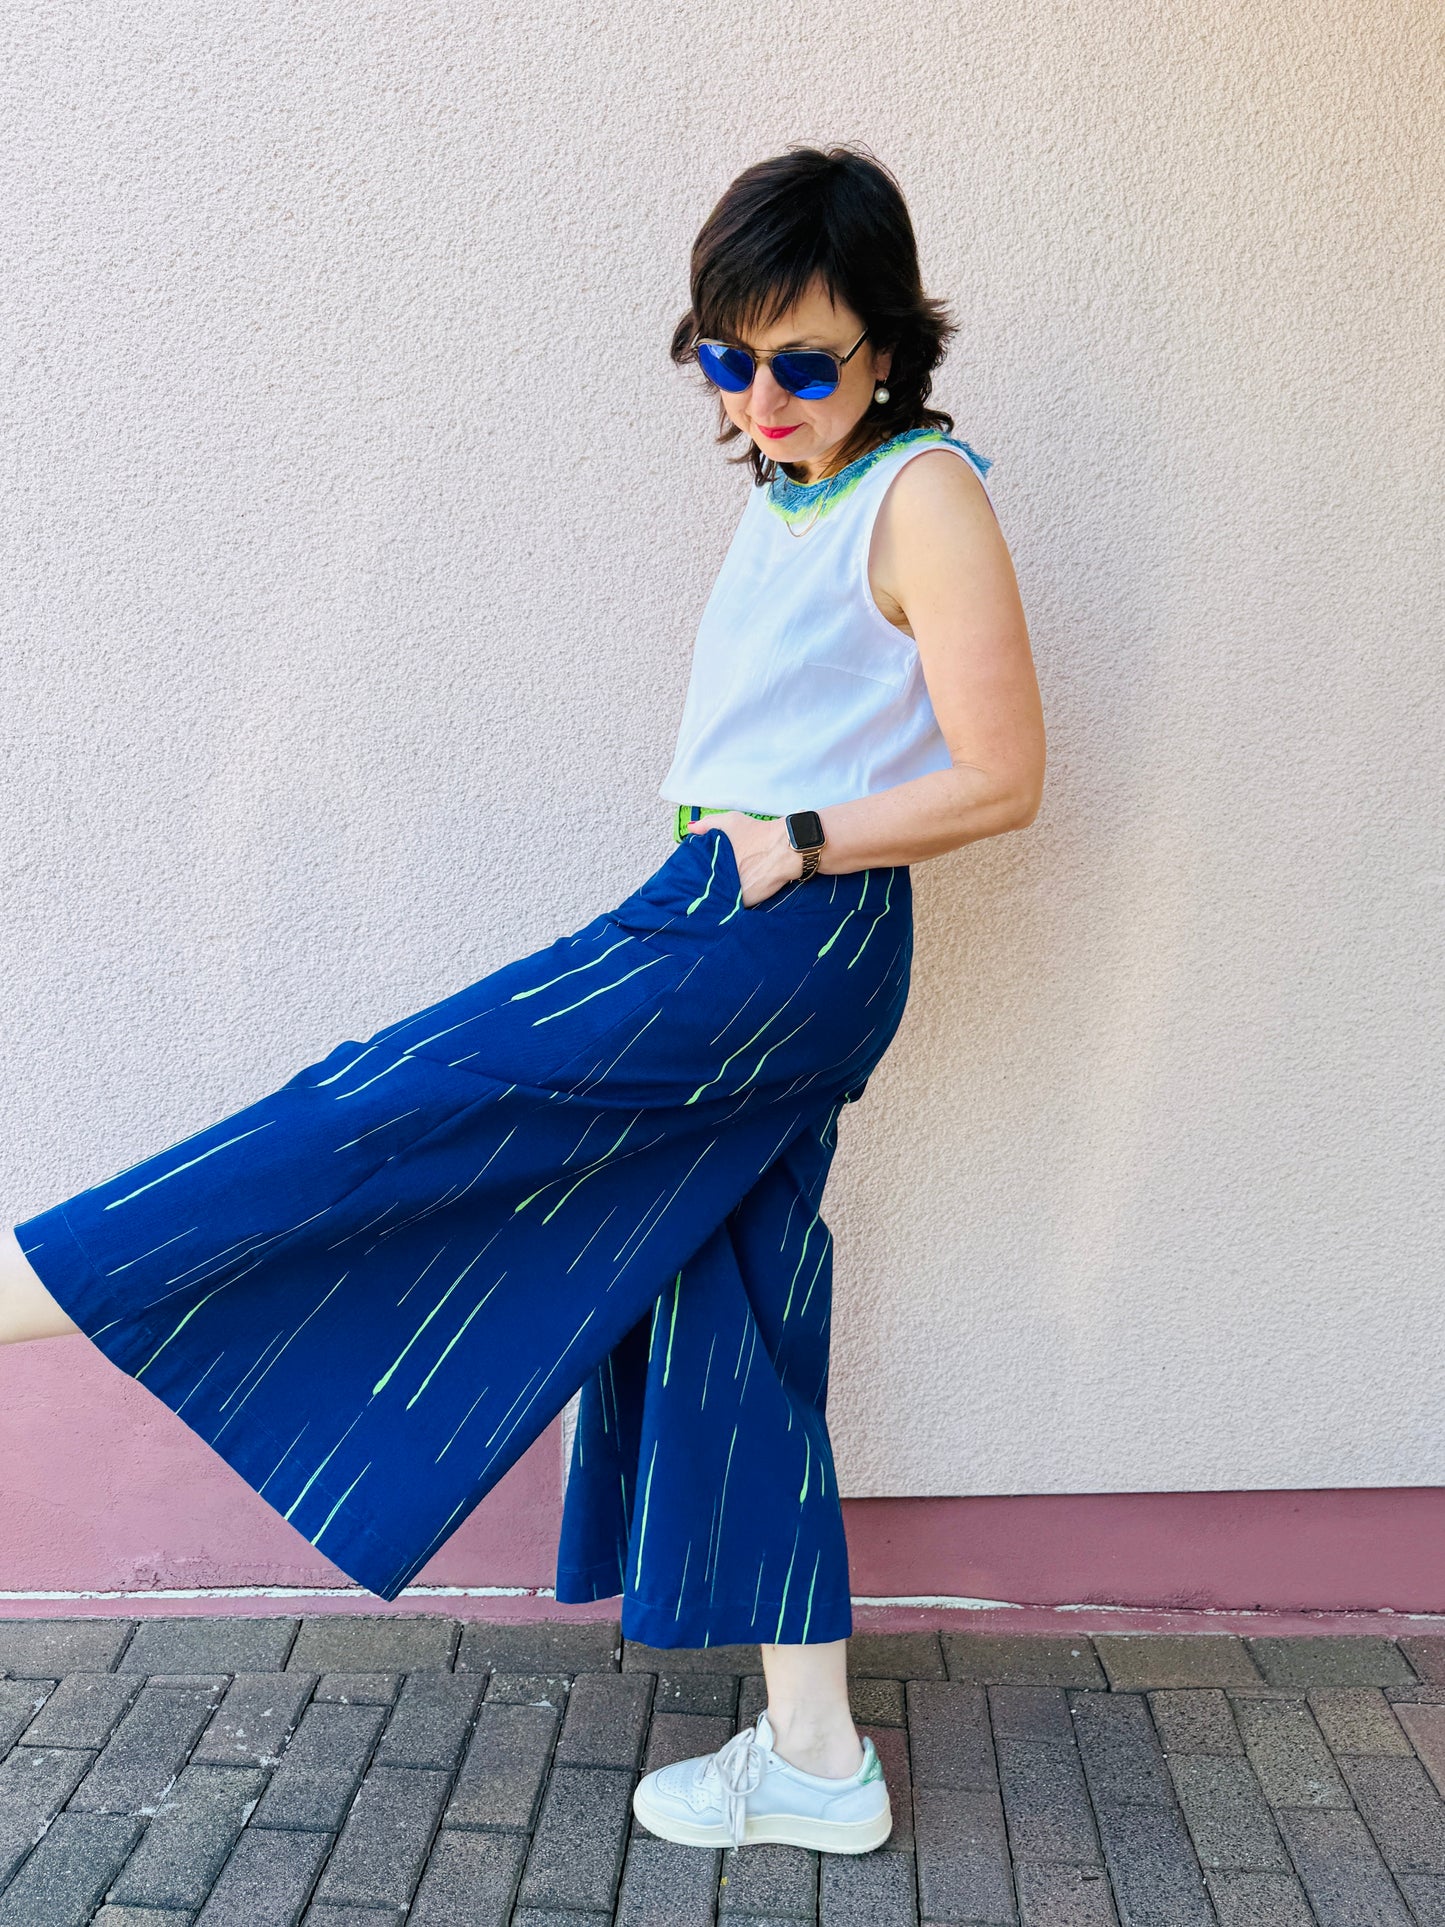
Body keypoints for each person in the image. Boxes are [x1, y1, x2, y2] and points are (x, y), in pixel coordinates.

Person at [0, 144, 1043, 1856]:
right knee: (727, 1310)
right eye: (728, 359)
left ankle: (36, 1277)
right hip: (728, 908)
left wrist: (785, 842)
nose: (760, 400)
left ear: (888, 344)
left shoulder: (919, 495)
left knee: (406, 1099)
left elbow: (1002, 776)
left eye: (803, 364)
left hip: (785, 934)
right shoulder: (793, 488)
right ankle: (813, 1757)